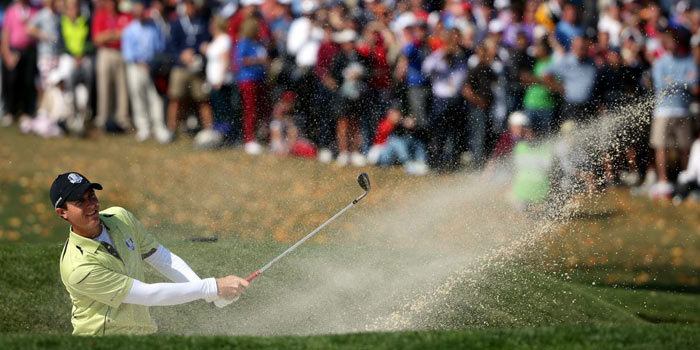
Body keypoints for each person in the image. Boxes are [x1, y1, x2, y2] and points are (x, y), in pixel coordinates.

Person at [51, 172, 247, 335]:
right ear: (62, 213)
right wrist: (212, 287)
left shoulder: (120, 218)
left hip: (143, 335)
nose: (92, 205)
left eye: (92, 196)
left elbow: (161, 258)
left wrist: (210, 295)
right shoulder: (78, 267)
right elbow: (148, 295)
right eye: (80, 202)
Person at [649, 28, 698, 199]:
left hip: (683, 110)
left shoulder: (688, 60)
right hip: (663, 111)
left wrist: (674, 82)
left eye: (674, 41)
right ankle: (663, 181)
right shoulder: (660, 62)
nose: (672, 45)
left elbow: (693, 82)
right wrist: (682, 83)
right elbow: (661, 86)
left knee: (685, 147)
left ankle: (685, 180)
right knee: (661, 147)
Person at [121, 0, 171, 143]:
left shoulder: (154, 28)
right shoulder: (130, 29)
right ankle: (143, 127)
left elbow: (160, 46)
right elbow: (127, 52)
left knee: (155, 97)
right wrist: (139, 62)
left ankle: (159, 126)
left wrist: (154, 63)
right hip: (135, 68)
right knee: (138, 96)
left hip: (153, 68)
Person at [91, 0, 132, 131]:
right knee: (104, 86)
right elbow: (97, 38)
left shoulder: (125, 16)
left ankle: (122, 119)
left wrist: (109, 35)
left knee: (122, 87)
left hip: (121, 53)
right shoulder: (100, 15)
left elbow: (128, 34)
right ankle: (103, 118)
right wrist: (114, 34)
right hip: (105, 52)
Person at [1, 0, 38, 127]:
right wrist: (7, 54)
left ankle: (26, 112)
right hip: (14, 51)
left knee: (28, 81)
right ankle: (10, 111)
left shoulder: (34, 10)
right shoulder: (11, 11)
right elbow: (5, 33)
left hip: (30, 51)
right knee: (12, 82)